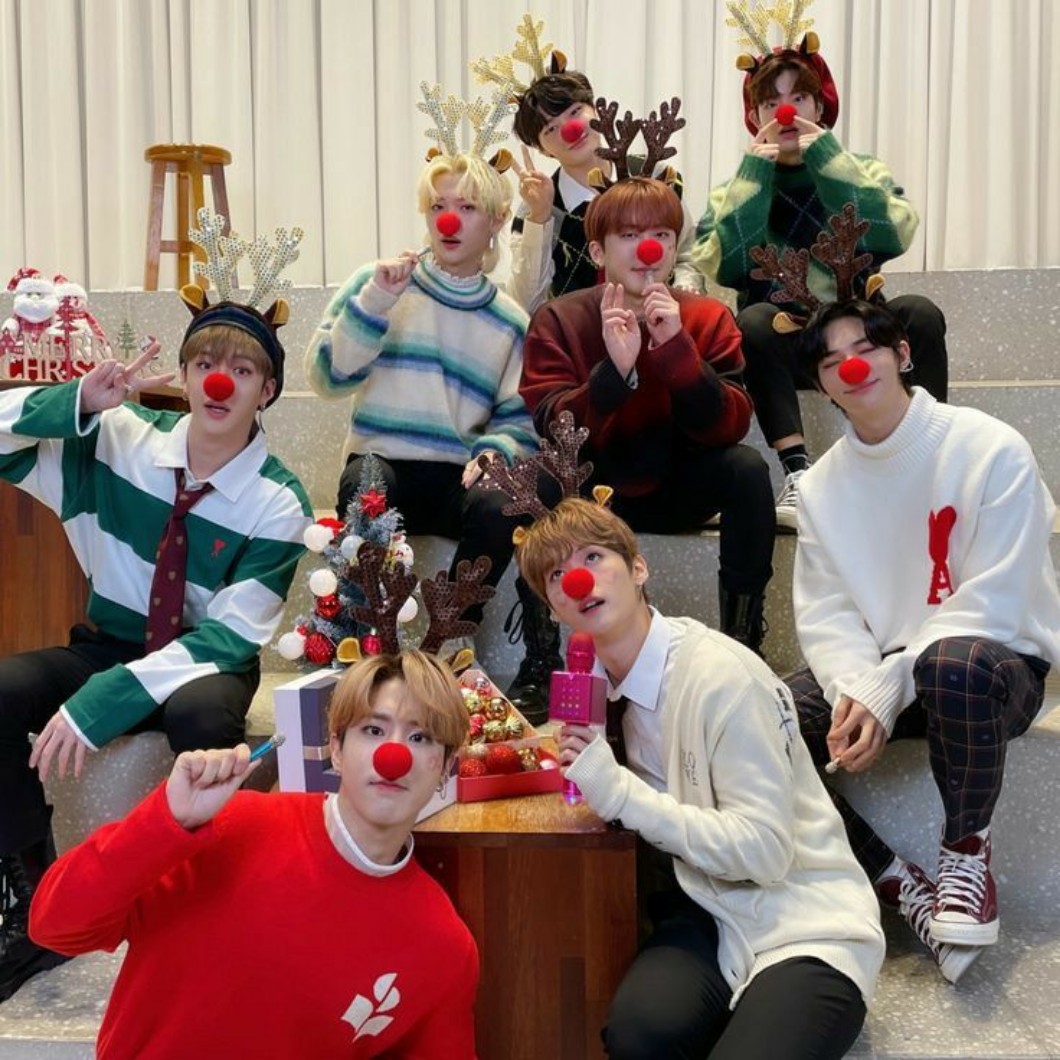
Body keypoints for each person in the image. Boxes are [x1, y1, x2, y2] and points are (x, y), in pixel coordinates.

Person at [0, 296, 312, 1001]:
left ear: (267, 390)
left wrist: (103, 702)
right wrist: (76, 402)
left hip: (205, 660)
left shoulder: (278, 501)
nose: (218, 382)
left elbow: (230, 635)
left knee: (204, 718)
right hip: (109, 643)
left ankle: (214, 902)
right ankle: (37, 903)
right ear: (186, 373)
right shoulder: (120, 437)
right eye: (204, 364)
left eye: (241, 370)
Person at [515, 496, 883, 1058]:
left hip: (805, 920)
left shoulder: (722, 677)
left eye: (592, 557)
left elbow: (765, 853)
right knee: (636, 1039)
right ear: (554, 609)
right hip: (704, 908)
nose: (579, 580)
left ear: (639, 568)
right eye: (556, 576)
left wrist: (622, 793)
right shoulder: (595, 684)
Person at [787, 299, 1060, 983]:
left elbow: (998, 596)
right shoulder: (820, 489)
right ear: (822, 384)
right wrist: (860, 688)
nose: (853, 367)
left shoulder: (990, 447)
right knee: (761, 717)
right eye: (832, 361)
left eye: (866, 349)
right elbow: (828, 612)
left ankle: (965, 853)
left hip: (992, 665)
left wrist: (891, 682)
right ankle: (890, 877)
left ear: (902, 354)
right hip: (887, 673)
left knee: (950, 662)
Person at [30, 650, 478, 1057]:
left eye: (421, 737)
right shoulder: (230, 828)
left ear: (445, 768)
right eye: (374, 730)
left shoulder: (442, 947)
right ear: (337, 750)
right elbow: (54, 926)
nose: (393, 755)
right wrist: (165, 820)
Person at [304, 149, 556, 721]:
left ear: (496, 220)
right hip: (383, 459)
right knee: (366, 484)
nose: (448, 219)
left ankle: (447, 643)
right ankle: (364, 646)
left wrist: (493, 453)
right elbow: (326, 377)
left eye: (466, 207)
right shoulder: (379, 282)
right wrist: (376, 303)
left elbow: (517, 416)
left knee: (501, 503)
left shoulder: (509, 320)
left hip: (454, 476)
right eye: (438, 205)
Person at [692, 35, 948, 530]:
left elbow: (891, 233)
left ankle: (930, 457)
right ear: (755, 115)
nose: (786, 112)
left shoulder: (861, 168)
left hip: (860, 328)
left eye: (798, 97)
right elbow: (726, 265)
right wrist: (756, 171)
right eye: (771, 102)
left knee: (919, 312)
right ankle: (797, 472)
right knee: (753, 321)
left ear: (820, 105)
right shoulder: (735, 186)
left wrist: (828, 157)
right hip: (786, 340)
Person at [521, 175, 776, 654]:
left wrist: (677, 350)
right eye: (629, 235)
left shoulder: (706, 317)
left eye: (661, 235)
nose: (648, 250)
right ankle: (540, 656)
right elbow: (552, 425)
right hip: (590, 493)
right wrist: (614, 373)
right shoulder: (559, 318)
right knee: (536, 482)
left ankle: (743, 643)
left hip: (679, 481)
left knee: (746, 469)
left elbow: (731, 424)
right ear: (598, 252)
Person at [504, 63, 705, 314]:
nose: (570, 130)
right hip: (579, 331)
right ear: (541, 149)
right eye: (551, 129)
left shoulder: (655, 176)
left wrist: (686, 292)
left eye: (575, 112)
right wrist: (540, 218)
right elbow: (526, 302)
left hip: (660, 319)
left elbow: (688, 252)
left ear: (596, 110)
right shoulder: (536, 207)